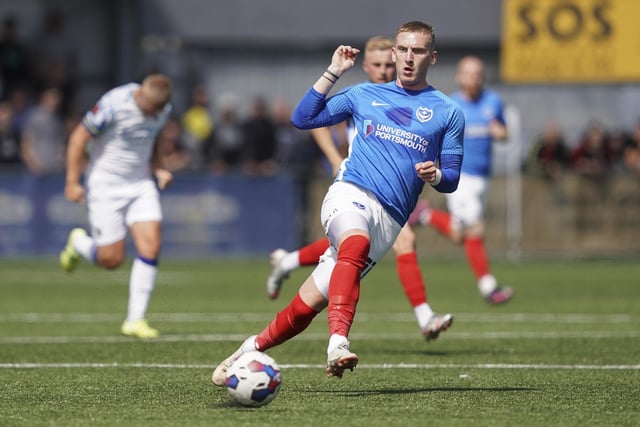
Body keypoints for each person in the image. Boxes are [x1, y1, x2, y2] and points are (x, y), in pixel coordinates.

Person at [211, 21, 464, 384]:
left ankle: (252, 346)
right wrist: (333, 72)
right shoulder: (362, 95)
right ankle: (338, 344)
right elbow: (303, 118)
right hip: (350, 192)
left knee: (305, 307)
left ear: (433, 57)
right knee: (354, 243)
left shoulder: (448, 112)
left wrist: (435, 176)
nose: (409, 58)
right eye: (403, 50)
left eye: (418, 51)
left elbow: (452, 178)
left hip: (390, 221)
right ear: (394, 53)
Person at [266, 35, 453, 341]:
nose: (384, 71)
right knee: (389, 243)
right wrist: (335, 160)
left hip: (389, 192)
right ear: (366, 66)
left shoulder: (406, 99)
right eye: (377, 65)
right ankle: (423, 317)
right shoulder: (362, 97)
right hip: (357, 181)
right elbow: (317, 124)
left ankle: (287, 261)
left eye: (387, 65)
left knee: (344, 249)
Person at [59, 74, 173, 339]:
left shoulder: (163, 108)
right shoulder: (114, 103)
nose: (154, 113)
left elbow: (153, 138)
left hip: (141, 185)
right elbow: (78, 138)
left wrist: (159, 168)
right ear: (142, 97)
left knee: (151, 247)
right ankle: (78, 243)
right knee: (112, 259)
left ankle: (135, 320)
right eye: (151, 108)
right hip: (106, 185)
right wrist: (72, 181)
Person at [408, 55, 512, 305]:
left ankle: (425, 215)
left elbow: (504, 132)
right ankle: (489, 288)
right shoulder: (451, 104)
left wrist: (501, 132)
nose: (474, 78)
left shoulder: (493, 101)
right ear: (459, 76)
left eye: (478, 73)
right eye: (468, 73)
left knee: (459, 235)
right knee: (475, 229)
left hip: (483, 177)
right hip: (461, 176)